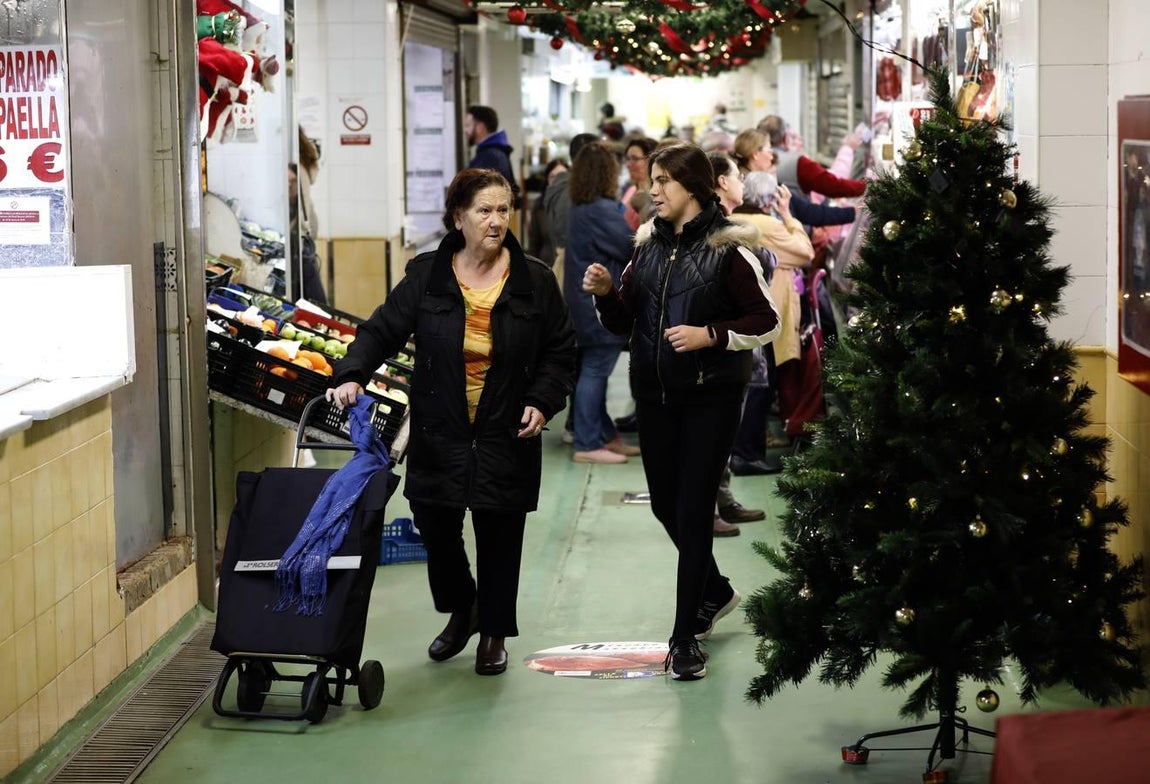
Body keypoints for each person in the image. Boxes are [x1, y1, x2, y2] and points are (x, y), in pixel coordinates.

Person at [327, 169, 576, 676]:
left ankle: (493, 633)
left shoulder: (534, 280)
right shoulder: (427, 276)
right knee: (435, 525)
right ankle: (464, 607)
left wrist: (543, 400)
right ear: (458, 217)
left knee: (499, 531)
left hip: (505, 427)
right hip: (441, 429)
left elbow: (561, 351)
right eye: (484, 210)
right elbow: (381, 330)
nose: (496, 220)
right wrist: (352, 371)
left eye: (504, 209)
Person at [583, 143, 780, 681]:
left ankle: (684, 637)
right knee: (665, 507)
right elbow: (625, 322)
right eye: (653, 180)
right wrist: (604, 294)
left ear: (692, 187)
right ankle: (714, 591)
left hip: (709, 399)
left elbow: (767, 322)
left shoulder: (730, 251)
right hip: (655, 396)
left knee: (692, 514)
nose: (653, 190)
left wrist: (710, 335)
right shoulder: (646, 247)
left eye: (664, 180)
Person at [565, 141, 639, 464]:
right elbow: (629, 246)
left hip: (582, 301)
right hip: (595, 305)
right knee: (595, 371)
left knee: (594, 369)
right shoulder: (601, 210)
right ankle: (586, 443)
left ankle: (605, 436)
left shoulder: (582, 207)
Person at [755, 115, 866, 200]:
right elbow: (833, 184)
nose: (800, 141)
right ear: (785, 139)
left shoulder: (756, 160)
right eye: (793, 138)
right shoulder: (797, 162)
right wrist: (869, 187)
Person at [288, 160, 328, 305]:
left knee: (316, 303)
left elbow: (313, 229)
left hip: (303, 260)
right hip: (299, 262)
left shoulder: (303, 205)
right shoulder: (288, 205)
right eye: (287, 181)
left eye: (292, 181)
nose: (289, 185)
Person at [465, 105, 519, 199]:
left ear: (480, 128)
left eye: (468, 125)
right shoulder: (493, 152)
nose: (465, 130)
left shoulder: (490, 156)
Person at [620, 136, 658, 230]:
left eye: (634, 159)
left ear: (650, 161)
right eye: (627, 159)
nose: (628, 164)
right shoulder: (631, 190)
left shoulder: (657, 195)